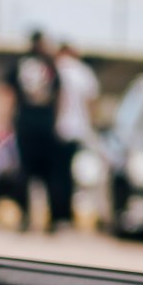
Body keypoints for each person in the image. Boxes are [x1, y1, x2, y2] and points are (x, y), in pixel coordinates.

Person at [5, 29, 61, 231]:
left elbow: (10, 95)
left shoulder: (20, 64)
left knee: (25, 172)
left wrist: (8, 120)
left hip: (26, 123)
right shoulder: (50, 64)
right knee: (48, 174)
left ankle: (25, 217)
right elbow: (59, 96)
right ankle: (51, 220)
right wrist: (56, 121)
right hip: (44, 123)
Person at [53, 42, 99, 228]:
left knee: (58, 175)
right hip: (80, 129)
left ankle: (60, 214)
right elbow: (91, 102)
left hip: (58, 128)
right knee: (81, 176)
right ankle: (78, 216)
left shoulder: (55, 69)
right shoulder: (83, 72)